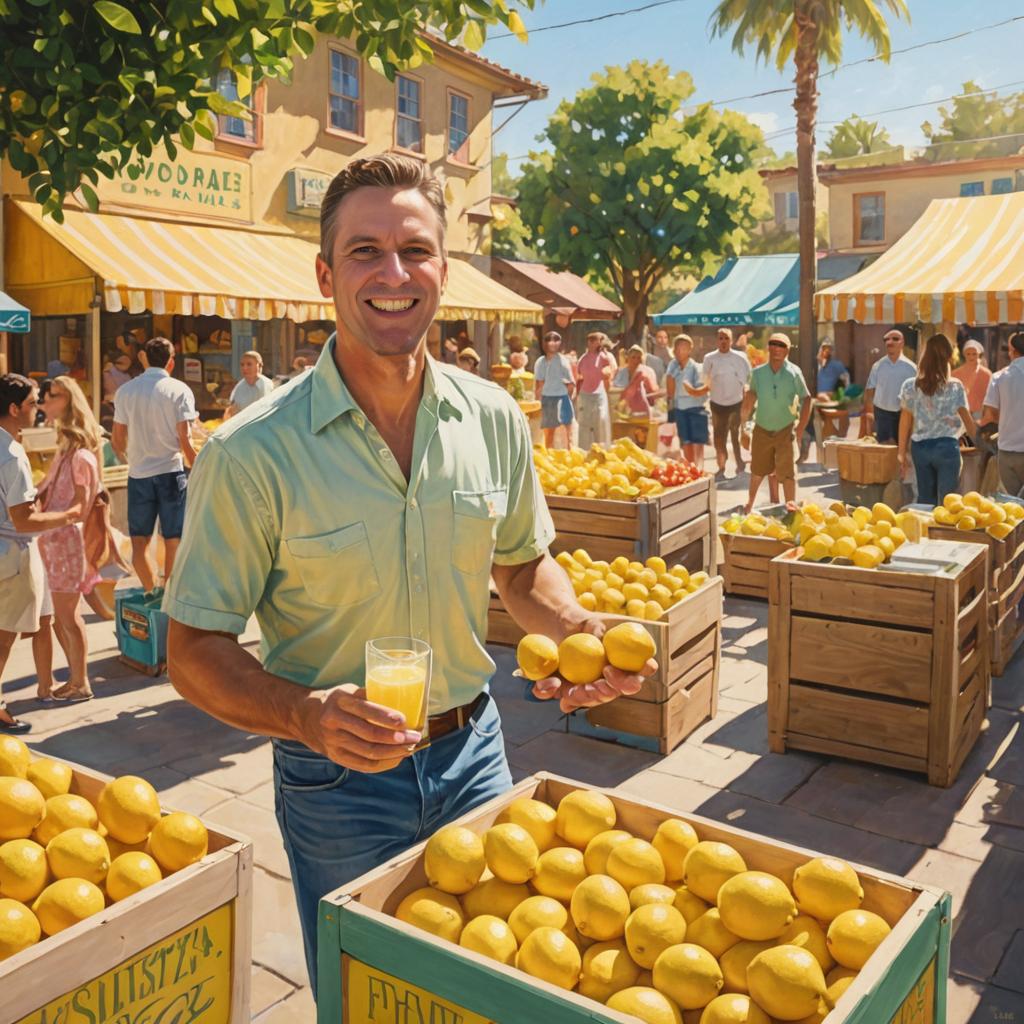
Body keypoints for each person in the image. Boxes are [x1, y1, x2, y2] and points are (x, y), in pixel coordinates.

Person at [161, 153, 655, 989]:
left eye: (415, 250)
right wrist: (305, 715)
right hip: (337, 781)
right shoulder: (253, 451)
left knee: (498, 988)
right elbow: (192, 648)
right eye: (364, 252)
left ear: (444, 269)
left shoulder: (494, 417)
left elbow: (523, 570)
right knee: (368, 996)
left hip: (478, 755)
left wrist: (576, 629)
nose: (394, 274)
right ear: (326, 275)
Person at [0, 375, 82, 733]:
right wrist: (69, 515)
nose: (39, 409)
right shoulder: (11, 454)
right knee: (4, 637)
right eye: (34, 402)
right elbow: (23, 519)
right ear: (14, 408)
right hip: (12, 556)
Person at [35, 377, 104, 703]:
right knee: (61, 618)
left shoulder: (80, 457)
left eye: (51, 397)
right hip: (54, 542)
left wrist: (40, 518)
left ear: (68, 401)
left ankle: (81, 682)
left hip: (66, 544)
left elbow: (79, 508)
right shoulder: (68, 451)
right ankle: (77, 679)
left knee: (68, 617)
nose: (43, 403)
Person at [111, 337, 197, 594]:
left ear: (143, 357)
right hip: (171, 473)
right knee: (173, 539)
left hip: (139, 475)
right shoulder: (180, 390)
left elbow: (117, 439)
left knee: (139, 543)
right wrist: (199, 467)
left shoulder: (126, 391)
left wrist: (131, 460)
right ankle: (169, 595)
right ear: (171, 362)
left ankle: (151, 592)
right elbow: (185, 439)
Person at [897, 334, 975, 507]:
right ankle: (945, 534)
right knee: (950, 503)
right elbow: (968, 422)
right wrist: (982, 445)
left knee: (925, 501)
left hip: (920, 449)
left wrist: (901, 454)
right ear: (948, 357)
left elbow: (905, 422)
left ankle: (925, 532)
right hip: (947, 448)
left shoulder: (910, 386)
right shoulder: (955, 386)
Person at [741, 333, 812, 513]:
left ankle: (791, 509)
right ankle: (749, 505)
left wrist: (801, 428)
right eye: (773, 344)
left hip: (785, 430)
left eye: (781, 345)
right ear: (768, 347)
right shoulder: (758, 373)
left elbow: (807, 398)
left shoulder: (794, 373)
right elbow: (749, 399)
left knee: (788, 473)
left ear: (787, 350)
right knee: (757, 470)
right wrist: (743, 428)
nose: (776, 348)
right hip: (761, 428)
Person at [702, 327, 750, 475]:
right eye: (721, 338)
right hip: (716, 403)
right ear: (717, 340)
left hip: (736, 402)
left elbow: (747, 381)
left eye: (726, 338)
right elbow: (705, 381)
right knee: (719, 437)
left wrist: (747, 404)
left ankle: (739, 462)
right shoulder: (709, 358)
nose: (723, 341)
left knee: (735, 434)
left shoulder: (740, 357)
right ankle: (721, 465)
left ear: (732, 340)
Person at [981, 331, 1024, 496]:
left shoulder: (998, 377)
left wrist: (1009, 418)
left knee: (1015, 507)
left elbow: (991, 414)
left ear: (1012, 350)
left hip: (1007, 449)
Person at [801, 339, 850, 462]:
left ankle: (824, 450)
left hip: (831, 399)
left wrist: (839, 394)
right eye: (823, 348)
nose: (826, 350)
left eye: (829, 348)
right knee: (812, 417)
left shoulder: (836, 365)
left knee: (832, 426)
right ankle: (808, 441)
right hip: (817, 400)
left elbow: (845, 380)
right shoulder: (816, 365)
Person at [864, 329, 916, 443]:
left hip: (903, 414)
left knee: (901, 448)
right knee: (884, 448)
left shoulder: (912, 368)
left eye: (895, 339)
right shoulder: (877, 366)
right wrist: (870, 414)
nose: (890, 342)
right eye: (886, 339)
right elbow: (869, 391)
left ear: (902, 343)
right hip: (882, 414)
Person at [665, 334, 708, 470]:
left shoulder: (696, 367)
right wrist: (672, 374)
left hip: (696, 408)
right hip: (679, 408)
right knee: (685, 441)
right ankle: (691, 468)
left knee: (698, 441)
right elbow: (670, 391)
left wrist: (691, 390)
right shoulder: (673, 365)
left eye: (683, 348)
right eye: (676, 349)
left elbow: (702, 390)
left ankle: (699, 468)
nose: (679, 352)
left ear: (690, 350)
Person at [534, 331, 576, 448]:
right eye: (548, 340)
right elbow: (539, 383)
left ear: (559, 343)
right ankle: (550, 456)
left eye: (555, 340)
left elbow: (571, 383)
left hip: (562, 397)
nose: (552, 343)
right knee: (549, 433)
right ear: (544, 344)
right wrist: (537, 401)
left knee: (568, 432)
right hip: (547, 398)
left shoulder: (563, 361)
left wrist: (569, 398)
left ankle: (570, 454)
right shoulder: (540, 362)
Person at [575, 331, 616, 447]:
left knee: (601, 422)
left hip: (599, 394)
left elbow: (609, 372)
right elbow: (579, 377)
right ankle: (584, 449)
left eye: (597, 341)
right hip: (585, 394)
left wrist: (607, 373)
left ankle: (602, 448)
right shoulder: (583, 359)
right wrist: (576, 395)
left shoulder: (604, 357)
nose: (595, 343)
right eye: (592, 341)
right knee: (584, 424)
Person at [225, 350, 273, 419]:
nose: (244, 368)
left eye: (249, 364)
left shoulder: (267, 385)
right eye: (242, 365)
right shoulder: (239, 387)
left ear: (259, 365)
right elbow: (230, 410)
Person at [952, 339, 992, 419]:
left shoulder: (987, 374)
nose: (971, 357)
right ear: (964, 354)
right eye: (968, 354)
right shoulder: (955, 374)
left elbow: (990, 397)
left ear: (979, 354)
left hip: (978, 413)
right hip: (960, 413)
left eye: (974, 354)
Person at [621, 345, 659, 416]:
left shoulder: (648, 371)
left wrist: (646, 381)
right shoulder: (622, 372)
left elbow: (655, 390)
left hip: (644, 405)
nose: (636, 360)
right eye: (633, 357)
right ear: (628, 359)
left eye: (638, 358)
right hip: (626, 407)